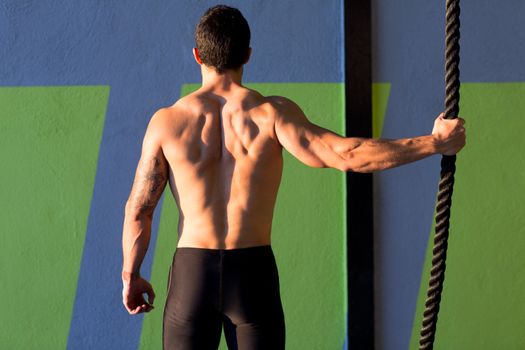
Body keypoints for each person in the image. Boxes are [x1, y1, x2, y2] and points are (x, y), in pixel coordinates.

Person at [121, 5, 466, 350]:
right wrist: (434, 143)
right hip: (252, 276)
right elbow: (346, 155)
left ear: (197, 55)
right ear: (248, 55)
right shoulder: (271, 115)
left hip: (191, 275)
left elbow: (140, 210)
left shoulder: (166, 123)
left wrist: (131, 275)